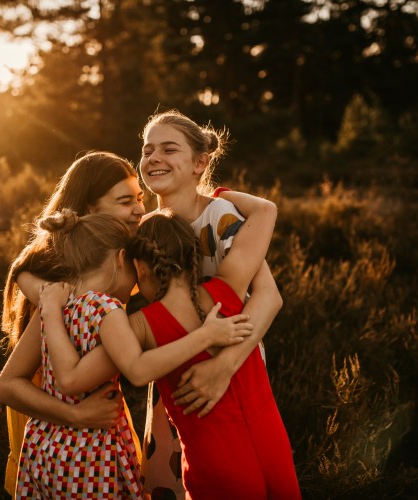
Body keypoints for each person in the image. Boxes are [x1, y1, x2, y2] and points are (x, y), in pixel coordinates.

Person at [17, 210, 252, 498]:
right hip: (87, 452)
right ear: (120, 259)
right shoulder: (106, 308)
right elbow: (138, 369)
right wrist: (206, 335)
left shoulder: (61, 303)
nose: (137, 281)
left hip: (43, 445)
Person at [137, 109, 285, 497]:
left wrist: (223, 367)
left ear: (200, 163)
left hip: (233, 368)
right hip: (174, 372)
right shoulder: (146, 228)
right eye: (147, 150)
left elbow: (268, 297)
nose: (154, 158)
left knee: (234, 478)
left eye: (169, 149)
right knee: (172, 479)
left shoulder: (218, 216)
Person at [0, 151, 147, 496]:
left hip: (98, 437)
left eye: (140, 197)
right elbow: (10, 385)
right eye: (125, 201)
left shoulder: (123, 261)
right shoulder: (64, 288)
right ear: (90, 211)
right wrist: (75, 416)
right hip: (50, 419)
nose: (139, 209)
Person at [131, 210, 301, 498]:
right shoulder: (228, 286)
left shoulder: (142, 325)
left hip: (216, 468)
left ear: (140, 268)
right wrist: (220, 196)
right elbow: (265, 210)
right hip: (274, 449)